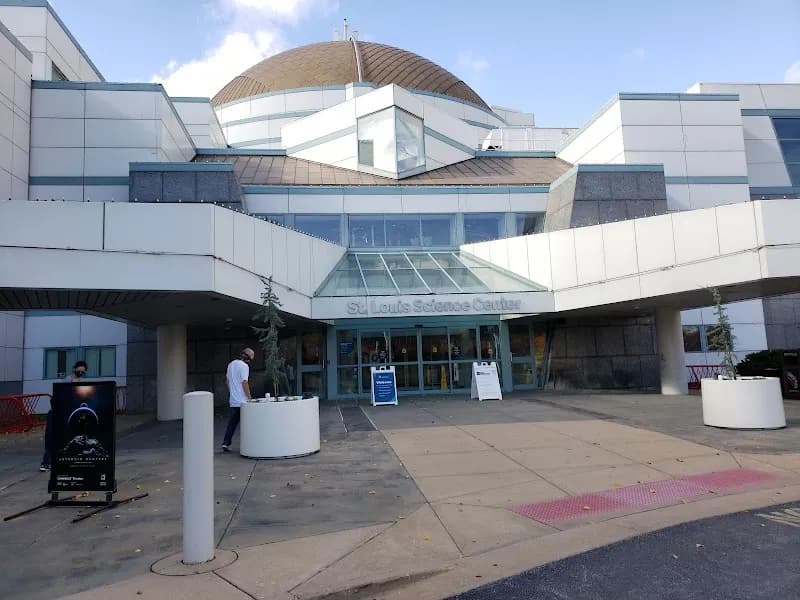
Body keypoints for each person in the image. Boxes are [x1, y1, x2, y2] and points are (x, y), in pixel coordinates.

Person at [41, 360, 87, 471]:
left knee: (67, 438)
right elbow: (59, 395)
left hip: (68, 413)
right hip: (56, 412)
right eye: (79, 370)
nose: (80, 373)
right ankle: (46, 462)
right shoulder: (67, 380)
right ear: (74, 369)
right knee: (51, 437)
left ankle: (62, 461)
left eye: (83, 372)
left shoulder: (81, 382)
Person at [221, 347, 254, 452]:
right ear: (248, 358)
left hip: (234, 401)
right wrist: (250, 398)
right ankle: (250, 444)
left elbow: (227, 381)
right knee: (248, 424)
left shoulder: (231, 364)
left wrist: (233, 392)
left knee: (232, 423)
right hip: (243, 401)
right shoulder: (244, 367)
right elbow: (244, 383)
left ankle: (226, 443)